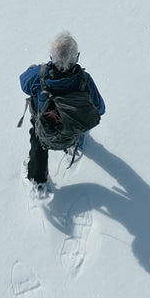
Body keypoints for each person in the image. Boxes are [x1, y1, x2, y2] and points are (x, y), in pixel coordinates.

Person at [20, 31, 106, 191]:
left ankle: (37, 180)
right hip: (72, 131)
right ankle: (73, 143)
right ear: (76, 58)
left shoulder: (38, 76)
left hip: (45, 131)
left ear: (52, 57)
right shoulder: (84, 80)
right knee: (74, 124)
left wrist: (32, 68)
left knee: (37, 138)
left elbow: (23, 84)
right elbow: (100, 109)